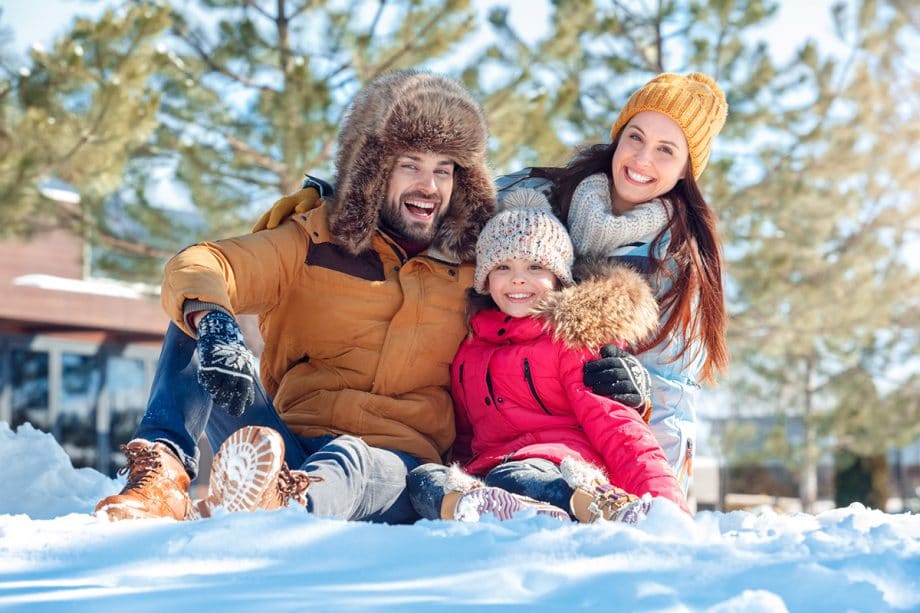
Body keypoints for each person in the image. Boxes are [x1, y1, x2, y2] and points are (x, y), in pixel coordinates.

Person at [257, 72, 729, 497]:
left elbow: (671, 397)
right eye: (636, 137)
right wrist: (333, 202)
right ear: (617, 136)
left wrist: (663, 502)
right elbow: (433, 199)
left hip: (592, 452)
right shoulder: (536, 192)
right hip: (492, 428)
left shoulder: (676, 262)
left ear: (689, 167)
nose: (642, 159)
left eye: (667, 150)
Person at [94, 70, 497, 523]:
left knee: (351, 459)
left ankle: (280, 514)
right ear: (374, 168)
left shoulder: (476, 270)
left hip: (392, 465)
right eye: (412, 165)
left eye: (444, 170)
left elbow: (546, 287)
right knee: (197, 309)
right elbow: (204, 262)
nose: (429, 186)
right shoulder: (311, 241)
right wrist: (214, 323)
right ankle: (163, 476)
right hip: (281, 444)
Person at [405, 190, 690, 524]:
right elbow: (468, 438)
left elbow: (618, 428)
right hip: (490, 474)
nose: (518, 278)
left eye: (535, 265)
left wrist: (667, 508)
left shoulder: (571, 339)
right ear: (484, 280)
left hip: (563, 467)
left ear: (558, 276)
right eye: (502, 266)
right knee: (422, 479)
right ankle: (477, 507)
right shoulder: (470, 351)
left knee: (513, 477)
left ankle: (598, 505)